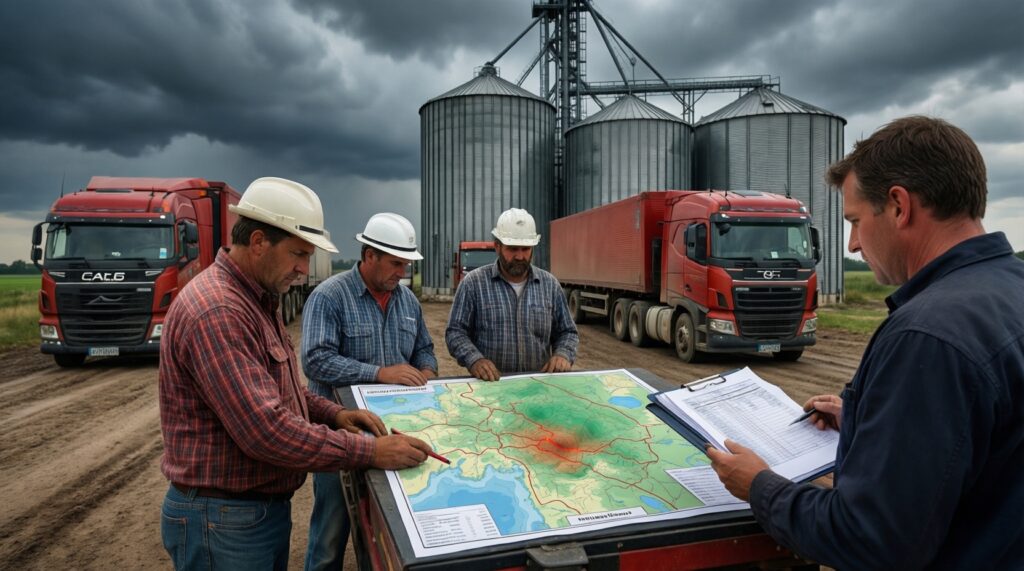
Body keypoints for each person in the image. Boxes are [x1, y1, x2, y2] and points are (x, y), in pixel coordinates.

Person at [705, 116, 1024, 569]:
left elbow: (870, 540)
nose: (853, 245)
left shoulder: (928, 336)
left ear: (898, 206)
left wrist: (759, 486)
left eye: (855, 221)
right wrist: (866, 419)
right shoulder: (1011, 289)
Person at [158, 177, 432, 570]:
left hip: (249, 514)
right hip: (223, 521)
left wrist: (334, 413)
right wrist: (370, 451)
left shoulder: (257, 300)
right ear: (257, 242)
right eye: (298, 254)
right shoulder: (219, 311)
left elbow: (281, 389)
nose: (305, 269)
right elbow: (265, 430)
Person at [301, 212, 438, 571]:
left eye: (406, 264)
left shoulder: (407, 301)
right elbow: (315, 360)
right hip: (340, 437)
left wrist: (426, 371)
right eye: (396, 263)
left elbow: (425, 348)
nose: (402, 272)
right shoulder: (329, 296)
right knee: (330, 534)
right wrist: (379, 373)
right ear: (369, 255)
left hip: (394, 437)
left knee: (383, 535)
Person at [446, 207, 579, 381]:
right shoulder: (473, 284)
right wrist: (475, 360)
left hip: (538, 386)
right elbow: (455, 332)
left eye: (525, 249)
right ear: (497, 246)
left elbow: (567, 332)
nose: (519, 256)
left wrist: (563, 354)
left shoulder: (550, 285)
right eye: (513, 249)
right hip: (490, 389)